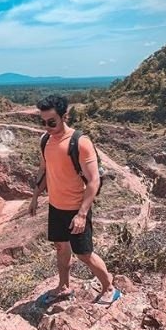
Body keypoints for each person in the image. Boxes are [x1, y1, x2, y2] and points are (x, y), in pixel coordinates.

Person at [29, 95, 121, 306]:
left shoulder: (80, 142)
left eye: (51, 122)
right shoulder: (45, 141)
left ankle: (110, 288)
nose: (47, 126)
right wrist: (34, 198)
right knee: (61, 248)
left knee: (84, 254)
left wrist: (81, 214)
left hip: (76, 208)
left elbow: (93, 180)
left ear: (65, 116)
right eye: (42, 122)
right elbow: (44, 171)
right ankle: (64, 287)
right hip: (56, 206)